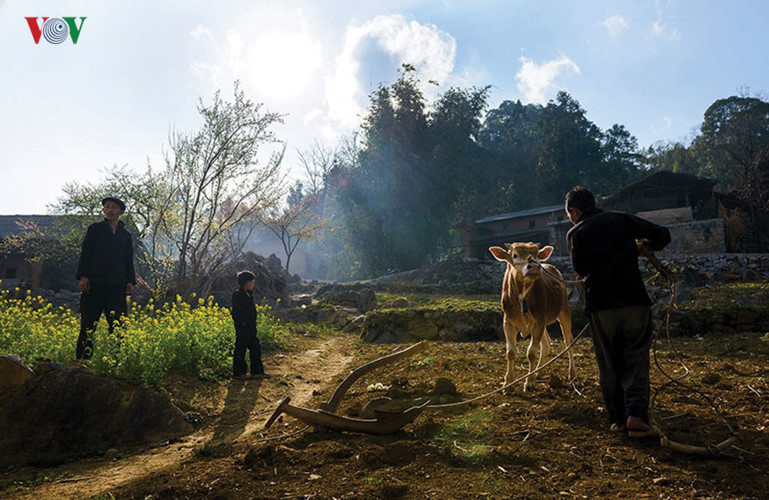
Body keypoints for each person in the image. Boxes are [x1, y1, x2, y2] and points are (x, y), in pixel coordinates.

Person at [565, 186, 671, 437]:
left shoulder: (575, 232)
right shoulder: (620, 219)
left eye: (569, 214)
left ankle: (617, 420)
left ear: (575, 211)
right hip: (634, 299)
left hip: (602, 306)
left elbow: (581, 268)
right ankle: (636, 415)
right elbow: (662, 234)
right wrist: (644, 245)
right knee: (636, 357)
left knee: (609, 362)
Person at [75, 196, 136, 360]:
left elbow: (128, 259)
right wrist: (83, 276)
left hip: (117, 286)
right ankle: (82, 362)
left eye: (113, 207)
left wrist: (130, 281)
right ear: (103, 210)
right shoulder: (95, 229)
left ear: (121, 212)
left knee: (118, 325)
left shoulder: (126, 235)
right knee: (88, 325)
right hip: (94, 284)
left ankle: (116, 361)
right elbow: (85, 254)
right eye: (107, 207)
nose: (109, 210)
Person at [231, 270, 269, 378]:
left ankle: (257, 371)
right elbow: (236, 313)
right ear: (246, 283)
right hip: (243, 328)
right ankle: (239, 373)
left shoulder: (249, 295)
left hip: (251, 328)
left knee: (256, 348)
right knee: (240, 350)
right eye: (252, 282)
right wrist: (242, 324)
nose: (253, 285)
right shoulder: (237, 295)